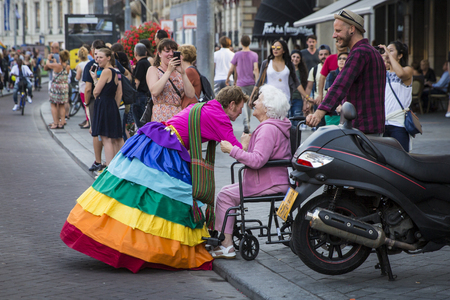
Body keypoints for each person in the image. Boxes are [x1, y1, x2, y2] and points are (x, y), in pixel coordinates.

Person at [60, 86, 247, 272]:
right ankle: (143, 248)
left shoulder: (206, 105)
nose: (240, 112)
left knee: (133, 192)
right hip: (165, 150)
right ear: (231, 105)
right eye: (239, 108)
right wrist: (246, 143)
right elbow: (238, 150)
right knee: (162, 198)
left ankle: (115, 238)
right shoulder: (220, 117)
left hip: (156, 140)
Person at [211, 85, 291, 259]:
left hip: (268, 182)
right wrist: (245, 147)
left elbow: (257, 161)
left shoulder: (268, 129)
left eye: (259, 99)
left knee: (224, 196)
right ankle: (226, 237)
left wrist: (232, 150)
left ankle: (226, 245)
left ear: (268, 107)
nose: (254, 102)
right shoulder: (272, 126)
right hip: (269, 180)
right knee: (226, 192)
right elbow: (258, 157)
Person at [306, 9, 386, 136]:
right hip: (373, 126)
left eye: (338, 31)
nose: (334, 35)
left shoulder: (359, 53)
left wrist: (319, 113)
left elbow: (340, 85)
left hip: (362, 128)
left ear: (352, 29)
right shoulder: (373, 52)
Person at [251, 40, 310, 110]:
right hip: (269, 99)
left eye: (278, 48)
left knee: (283, 120)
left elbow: (296, 82)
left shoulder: (289, 64)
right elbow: (259, 81)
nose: (275, 49)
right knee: (270, 120)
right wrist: (251, 97)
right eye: (273, 47)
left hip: (285, 99)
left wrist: (307, 97)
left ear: (284, 50)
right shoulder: (266, 63)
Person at [146, 39, 195, 122]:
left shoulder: (179, 72)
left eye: (174, 51)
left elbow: (191, 94)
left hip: (178, 115)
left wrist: (183, 73)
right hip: (161, 114)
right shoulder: (153, 70)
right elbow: (154, 91)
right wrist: (168, 71)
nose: (171, 54)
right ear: (159, 54)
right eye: (167, 51)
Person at [89, 48, 124, 166]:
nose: (98, 60)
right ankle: (116, 165)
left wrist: (95, 83)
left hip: (103, 104)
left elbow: (96, 92)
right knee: (113, 137)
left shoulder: (106, 71)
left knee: (106, 138)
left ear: (109, 57)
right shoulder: (115, 71)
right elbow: (119, 92)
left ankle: (109, 167)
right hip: (111, 104)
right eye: (97, 57)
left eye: (101, 57)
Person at [378, 42, 413, 152]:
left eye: (391, 50)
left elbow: (401, 74)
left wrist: (387, 54)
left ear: (400, 55)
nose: (387, 52)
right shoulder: (384, 73)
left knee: (402, 159)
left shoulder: (407, 70)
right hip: (383, 124)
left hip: (399, 124)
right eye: (386, 50)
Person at [225, 35, 259, 133]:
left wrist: (227, 78)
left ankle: (246, 123)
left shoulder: (237, 55)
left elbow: (232, 69)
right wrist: (257, 82)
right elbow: (256, 69)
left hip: (240, 83)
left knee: (243, 103)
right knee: (249, 103)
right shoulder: (254, 55)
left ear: (241, 43)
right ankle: (248, 122)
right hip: (251, 83)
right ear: (249, 42)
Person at [83, 39, 107, 172]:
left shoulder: (91, 65)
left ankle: (98, 161)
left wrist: (87, 104)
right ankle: (111, 161)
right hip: (111, 101)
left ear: (92, 50)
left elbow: (88, 88)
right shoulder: (111, 64)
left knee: (96, 131)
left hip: (96, 101)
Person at [315, 41, 348, 105]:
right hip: (333, 96)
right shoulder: (330, 59)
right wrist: (320, 95)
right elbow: (322, 77)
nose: (341, 60)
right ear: (335, 44)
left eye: (344, 59)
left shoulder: (353, 57)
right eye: (337, 42)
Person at [305, 44, 331, 122]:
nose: (323, 56)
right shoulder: (314, 69)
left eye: (326, 54)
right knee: (319, 128)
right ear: (318, 56)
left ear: (329, 55)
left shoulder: (334, 67)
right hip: (319, 103)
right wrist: (307, 100)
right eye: (321, 54)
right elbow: (309, 88)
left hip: (332, 102)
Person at [46, 50, 70, 129]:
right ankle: (61, 122)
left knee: (53, 104)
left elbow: (47, 65)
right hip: (64, 87)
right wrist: (56, 62)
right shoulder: (67, 66)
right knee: (62, 105)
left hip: (56, 87)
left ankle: (55, 123)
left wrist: (48, 58)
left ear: (60, 57)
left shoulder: (56, 66)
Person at [132, 43, 152, 128]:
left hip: (139, 95)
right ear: (146, 53)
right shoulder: (147, 63)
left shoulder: (140, 64)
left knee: (140, 122)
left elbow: (137, 81)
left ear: (135, 53)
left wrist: (132, 94)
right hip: (146, 94)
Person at [178, 44, 200, 109]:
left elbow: (180, 92)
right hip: (190, 105)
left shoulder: (189, 71)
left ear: (182, 56)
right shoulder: (191, 69)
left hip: (189, 106)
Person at [290, 49, 308, 126]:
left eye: (298, 57)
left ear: (300, 60)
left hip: (298, 100)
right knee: (288, 121)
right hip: (287, 98)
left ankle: (296, 137)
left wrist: (305, 102)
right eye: (294, 56)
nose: (295, 59)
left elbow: (305, 88)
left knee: (297, 121)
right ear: (290, 58)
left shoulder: (302, 72)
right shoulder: (286, 70)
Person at [75, 47, 90, 129]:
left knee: (85, 106)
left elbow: (77, 77)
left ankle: (88, 122)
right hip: (90, 86)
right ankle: (89, 121)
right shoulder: (90, 62)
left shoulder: (80, 65)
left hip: (83, 87)